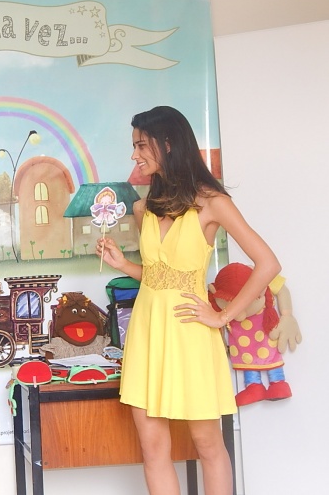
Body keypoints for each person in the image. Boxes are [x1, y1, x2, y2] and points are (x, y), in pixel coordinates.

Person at [97, 106, 281, 495]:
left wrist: (223, 317)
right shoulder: (145, 208)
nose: (134, 155)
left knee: (208, 444)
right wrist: (123, 265)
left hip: (190, 332)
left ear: (168, 143)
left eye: (141, 145)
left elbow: (267, 263)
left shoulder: (212, 203)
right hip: (147, 333)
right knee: (152, 449)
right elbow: (159, 276)